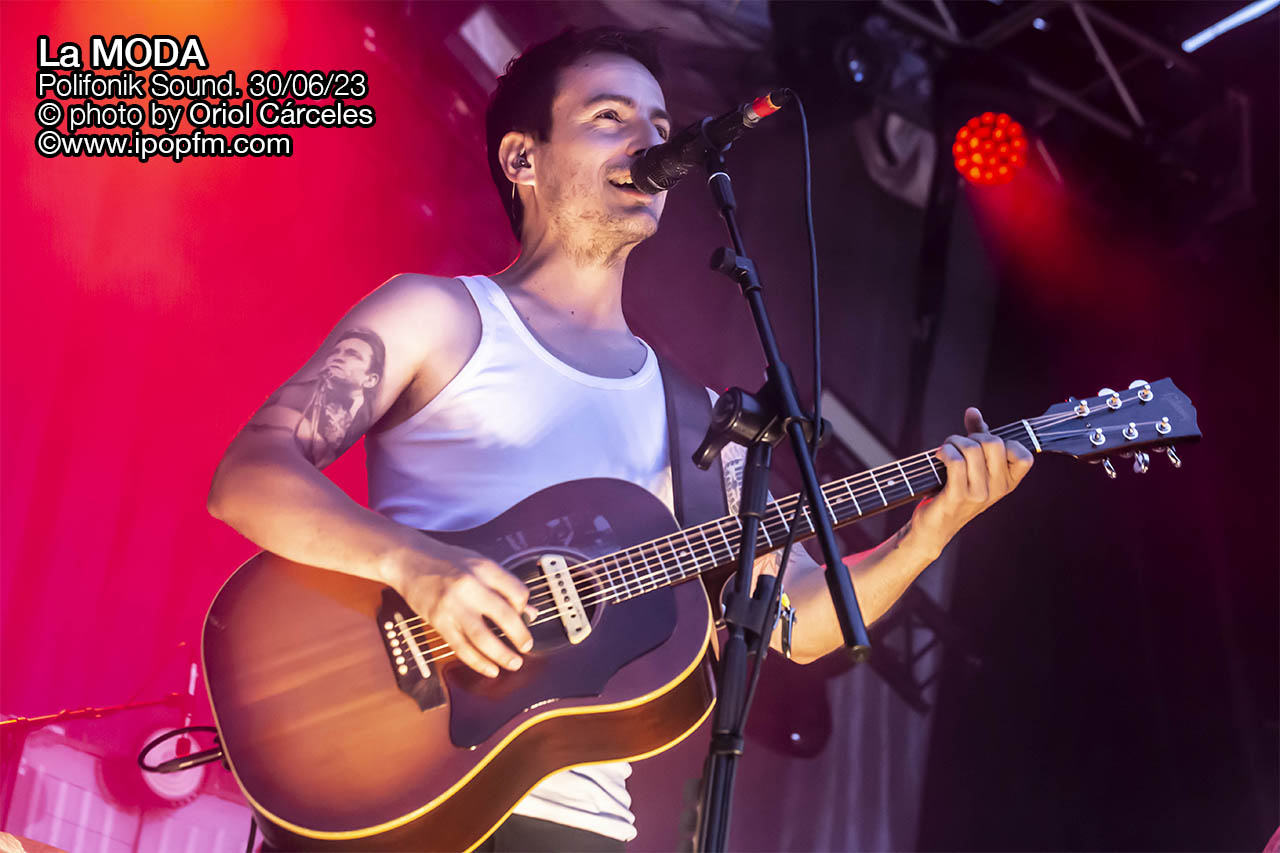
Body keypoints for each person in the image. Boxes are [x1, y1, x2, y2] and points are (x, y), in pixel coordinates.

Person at [207, 26, 1033, 852]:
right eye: (610, 116)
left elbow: (798, 619)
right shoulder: (439, 316)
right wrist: (416, 565)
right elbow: (249, 475)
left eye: (660, 125)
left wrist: (929, 534)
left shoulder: (703, 421)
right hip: (395, 772)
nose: (648, 141)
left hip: (582, 826)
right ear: (523, 159)